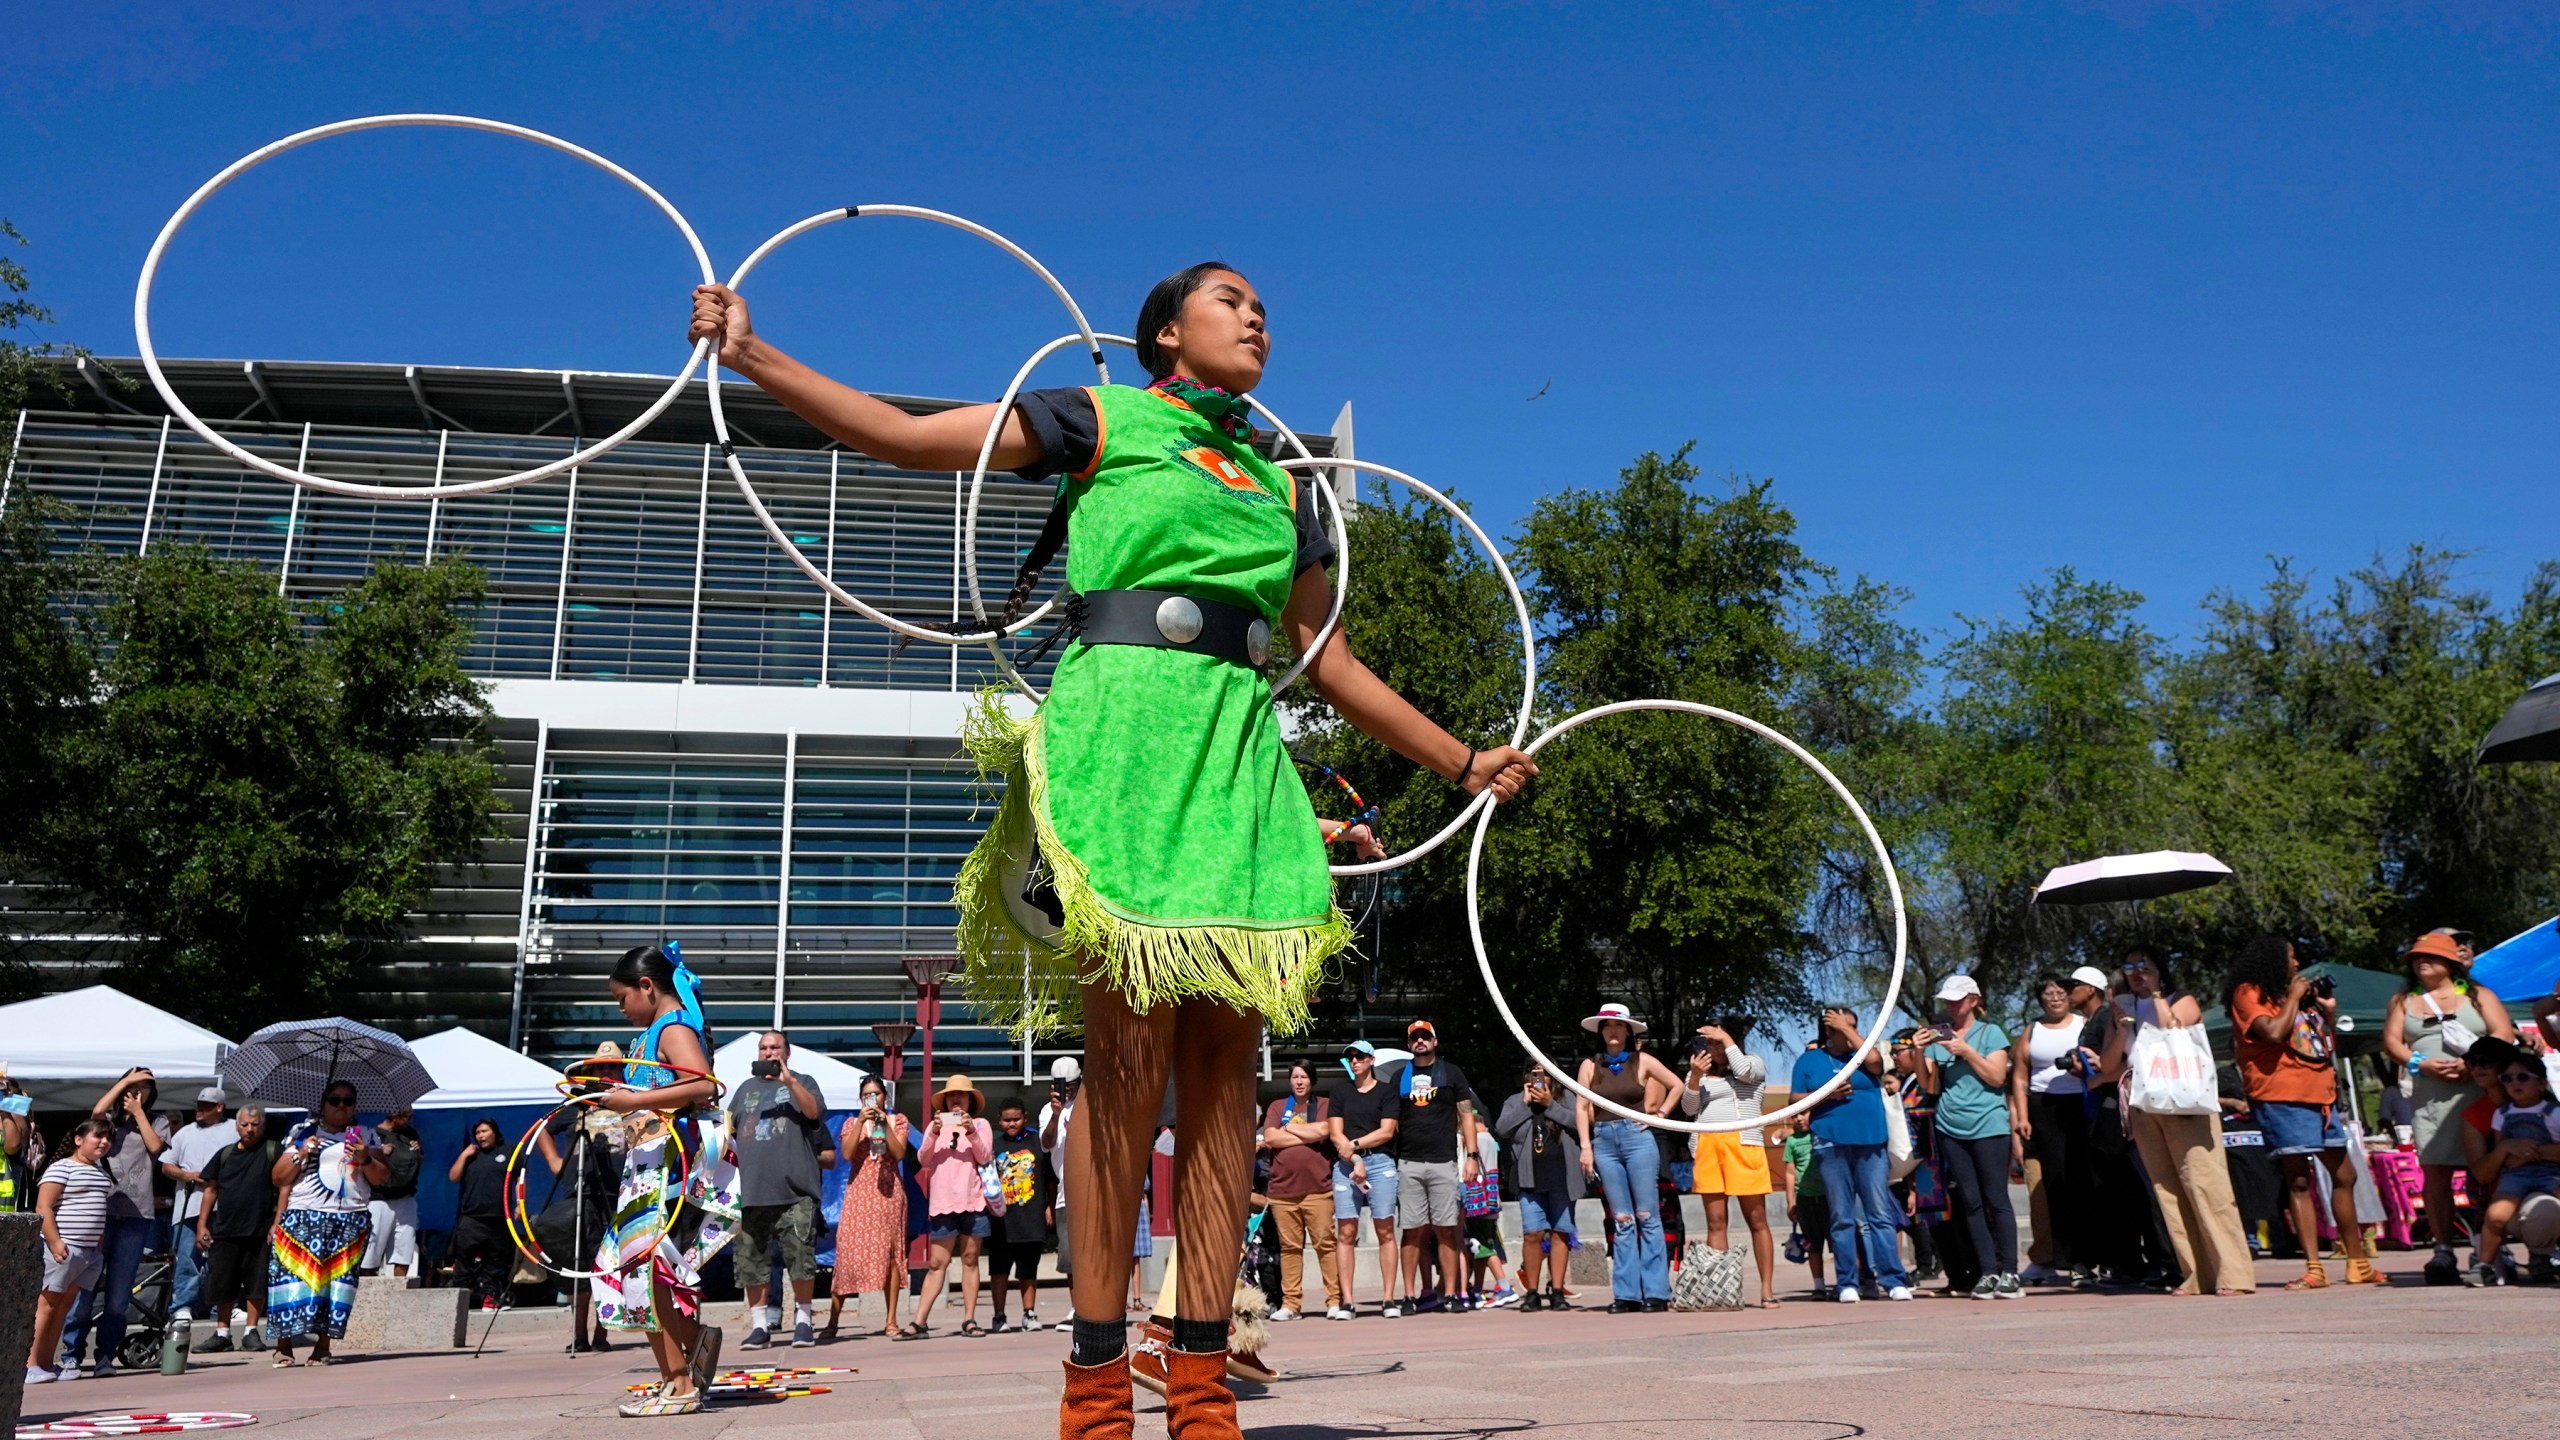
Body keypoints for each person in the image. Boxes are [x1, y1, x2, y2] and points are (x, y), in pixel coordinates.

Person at [689, 262, 1535, 1439]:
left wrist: (1461, 761)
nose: (1257, 314)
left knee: (1226, 1079)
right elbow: (905, 436)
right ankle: (1094, 1378)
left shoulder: (1281, 488)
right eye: (1228, 298)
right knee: (1127, 1067)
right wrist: (754, 353)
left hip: (1237, 760)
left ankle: (1196, 1367)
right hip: (1125, 747)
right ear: (1163, 335)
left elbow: (1326, 659)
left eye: (1264, 305)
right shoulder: (1102, 415)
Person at [593, 943, 736, 1417]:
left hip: (663, 1166)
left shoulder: (672, 1027)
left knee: (643, 1271)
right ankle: (688, 1353)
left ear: (647, 987)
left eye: (622, 998)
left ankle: (679, 1382)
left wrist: (629, 1102)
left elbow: (703, 1083)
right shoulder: (657, 1029)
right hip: (645, 1165)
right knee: (636, 1271)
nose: (621, 1009)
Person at [2224, 935, 2376, 1288]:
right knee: (2299, 1179)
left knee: (2346, 1176)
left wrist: (2329, 1011)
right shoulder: (2250, 993)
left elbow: (2320, 1043)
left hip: (2320, 1096)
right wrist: (2292, 997)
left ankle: (2358, 1262)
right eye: (2291, 958)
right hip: (2281, 1095)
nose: (2296, 965)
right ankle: (2314, 1267)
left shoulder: (2293, 999)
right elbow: (2274, 1033)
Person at [2100, 949, 2254, 1296]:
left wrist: (2155, 994)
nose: (2137, 973)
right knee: (2167, 1190)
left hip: (2183, 1099)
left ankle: (2233, 1274)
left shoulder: (2179, 999)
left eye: (2145, 967)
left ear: (2160, 971)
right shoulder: (2123, 1008)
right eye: (2130, 967)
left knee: (2205, 1183)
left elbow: (2172, 1025)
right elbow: (2110, 1066)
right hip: (2144, 1103)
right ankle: (2195, 1273)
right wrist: (2121, 1024)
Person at [2382, 929, 2520, 1285]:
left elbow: (2504, 1034)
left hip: (2481, 1095)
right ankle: (2442, 1250)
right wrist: (2419, 1064)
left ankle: (2491, 1247)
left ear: (2451, 963)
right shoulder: (2402, 1001)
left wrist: (2474, 1063)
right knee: (2436, 1173)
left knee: (2488, 1172)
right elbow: (2392, 1043)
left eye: (2430, 956)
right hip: (2430, 1100)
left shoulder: (2479, 996)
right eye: (2415, 958)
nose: (2420, 961)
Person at [1789, 1002, 1911, 1303]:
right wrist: (1828, 1094)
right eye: (1846, 1027)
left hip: (1871, 1142)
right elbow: (1795, 1099)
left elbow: (1875, 1063)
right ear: (1828, 1030)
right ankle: (1847, 1282)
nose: (1853, 1032)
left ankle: (1893, 1279)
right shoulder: (1810, 1061)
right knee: (1842, 1216)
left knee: (1879, 1213)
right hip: (1830, 1143)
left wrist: (1848, 1030)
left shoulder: (1863, 1054)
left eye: (1855, 1027)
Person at [56, 1067, 169, 1377]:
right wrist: (124, 1086)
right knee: (84, 1289)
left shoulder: (157, 1120)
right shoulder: (108, 1122)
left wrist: (138, 1112)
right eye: (135, 1085)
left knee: (119, 1294)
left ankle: (105, 1355)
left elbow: (156, 1148)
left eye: (146, 1087)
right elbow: (96, 1112)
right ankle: (71, 1354)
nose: (139, 1091)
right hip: (100, 1210)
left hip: (137, 1214)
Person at [267, 1081, 390, 1366]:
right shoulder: (302, 1131)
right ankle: (284, 1346)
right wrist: (302, 1152)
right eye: (335, 1100)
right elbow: (278, 1178)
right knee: (291, 1279)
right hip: (303, 1215)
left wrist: (365, 1158)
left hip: (348, 1218)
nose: (341, 1106)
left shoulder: (367, 1136)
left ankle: (323, 1347)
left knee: (336, 1284)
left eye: (348, 1100)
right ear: (323, 1104)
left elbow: (382, 1177)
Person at [1569, 1004, 1681, 1312]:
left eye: (1619, 1026)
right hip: (1604, 1140)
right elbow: (1581, 1108)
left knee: (1648, 1215)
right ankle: (1627, 1294)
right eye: (1607, 1026)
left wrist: (1659, 1115)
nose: (1613, 1031)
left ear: (1629, 1031)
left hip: (1637, 1138)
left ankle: (1656, 1292)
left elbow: (1677, 1085)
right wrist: (1585, 1147)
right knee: (1622, 1219)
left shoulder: (1642, 1060)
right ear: (1601, 1032)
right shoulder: (1590, 1066)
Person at [1915, 975, 2017, 1299]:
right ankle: (1987, 1272)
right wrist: (1919, 1052)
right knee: (1970, 1202)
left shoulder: (1991, 1033)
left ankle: (2010, 1271)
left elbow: (1997, 1077)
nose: (1951, 1006)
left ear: (1974, 1000)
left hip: (1989, 1125)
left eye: (1957, 1000)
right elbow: (1928, 1085)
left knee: (1996, 1199)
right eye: (1947, 1000)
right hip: (1950, 1127)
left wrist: (1966, 1051)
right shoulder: (1938, 1035)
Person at [727, 1030, 828, 1349]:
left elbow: (813, 1113)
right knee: (751, 1261)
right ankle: (759, 1326)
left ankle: (803, 1319)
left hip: (795, 1192)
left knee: (801, 1257)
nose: (769, 1052)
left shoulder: (803, 1081)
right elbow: (727, 1129)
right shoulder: (744, 1089)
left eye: (775, 1047)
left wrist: (789, 1082)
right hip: (751, 1192)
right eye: (764, 1048)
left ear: (787, 1052)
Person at [1678, 1021, 1776, 1308]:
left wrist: (1726, 1037)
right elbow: (1688, 1109)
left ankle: (1767, 1290)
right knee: (1716, 1222)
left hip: (1744, 1144)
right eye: (1710, 1043)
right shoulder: (1700, 1075)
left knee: (1757, 1220)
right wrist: (1695, 1077)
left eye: (1719, 1042)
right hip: (1709, 1146)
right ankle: (1720, 1291)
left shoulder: (1751, 1063)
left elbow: (1745, 1071)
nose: (1714, 1048)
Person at [1395, 1019, 1490, 1314]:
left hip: (1444, 1162)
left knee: (1447, 1229)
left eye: (1426, 1037)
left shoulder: (1451, 1073)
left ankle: (1451, 1294)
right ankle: (1410, 1295)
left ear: (1435, 1041)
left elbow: (1467, 1116)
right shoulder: (1401, 1076)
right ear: (1409, 1044)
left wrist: (1472, 1157)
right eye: (1415, 1038)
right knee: (1412, 1231)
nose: (1420, 1042)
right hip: (1409, 1162)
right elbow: (1392, 1122)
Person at [532, 1075, 624, 1355]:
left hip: (613, 1191)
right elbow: (542, 1128)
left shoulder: (624, 1101)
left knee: (606, 1263)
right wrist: (554, 1161)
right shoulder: (575, 1105)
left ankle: (601, 1333)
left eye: (610, 1068)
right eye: (598, 1068)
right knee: (579, 1261)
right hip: (578, 1191)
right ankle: (579, 1334)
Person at [2010, 976, 2091, 1288]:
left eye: (2061, 992)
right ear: (2040, 998)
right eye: (2048, 993)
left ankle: (2082, 1261)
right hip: (2042, 1110)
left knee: (2078, 1184)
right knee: (2045, 1188)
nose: (2055, 998)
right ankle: (2046, 1259)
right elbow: (2019, 1077)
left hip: (2079, 1106)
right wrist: (2022, 1116)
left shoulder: (2083, 1024)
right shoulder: (2032, 1029)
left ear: (2070, 997)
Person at [27, 1117, 116, 1386]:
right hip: (64, 1247)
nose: (104, 1142)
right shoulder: (61, 1168)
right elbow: (43, 1208)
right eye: (98, 1136)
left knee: (63, 1307)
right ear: (79, 1140)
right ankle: (29, 1364)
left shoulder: (101, 1173)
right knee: (47, 1304)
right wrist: (55, 1243)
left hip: (88, 1252)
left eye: (108, 1138)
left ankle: (45, 1362)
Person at [904, 1074, 993, 1339]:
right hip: (943, 1204)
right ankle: (919, 1322)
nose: (956, 1099)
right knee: (936, 1263)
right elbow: (922, 1158)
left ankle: (969, 1319)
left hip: (973, 1201)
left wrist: (971, 1131)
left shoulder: (981, 1124)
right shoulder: (936, 1126)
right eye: (951, 1095)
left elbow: (985, 1156)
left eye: (961, 1095)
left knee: (970, 1260)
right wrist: (932, 1132)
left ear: (970, 1100)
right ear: (944, 1101)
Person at [827, 1073, 912, 1339]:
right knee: (847, 1255)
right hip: (859, 1194)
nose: (872, 1099)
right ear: (861, 1098)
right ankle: (833, 1321)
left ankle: (891, 1320)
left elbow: (898, 1154)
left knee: (891, 1256)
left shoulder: (897, 1120)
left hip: (888, 1193)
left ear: (886, 1097)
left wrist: (882, 1124)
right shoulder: (852, 1122)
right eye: (867, 1095)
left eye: (877, 1094)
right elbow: (848, 1154)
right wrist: (861, 1123)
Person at [2464, 1051, 2560, 1285]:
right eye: (2507, 1079)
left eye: (2523, 1077)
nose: (2515, 1083)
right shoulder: (2502, 1114)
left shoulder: (2555, 1111)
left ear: (2541, 1083)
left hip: (2552, 1172)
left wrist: (2531, 1154)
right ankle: (2485, 1265)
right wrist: (2509, 1154)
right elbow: (2501, 1150)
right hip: (2515, 1176)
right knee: (2496, 1215)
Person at [1493, 1061, 1581, 1312]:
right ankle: (1531, 1292)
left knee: (1561, 1232)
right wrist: (1525, 1104)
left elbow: (1579, 1123)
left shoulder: (1568, 1097)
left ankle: (1556, 1290)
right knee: (1532, 1232)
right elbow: (1502, 1128)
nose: (1540, 1077)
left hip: (1563, 1175)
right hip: (1529, 1177)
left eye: (1545, 1072)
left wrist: (1549, 1105)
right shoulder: (1515, 1100)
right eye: (1534, 1072)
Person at [1325, 1040, 1401, 1318]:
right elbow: (1335, 1133)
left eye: (1360, 1057)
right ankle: (1347, 1301)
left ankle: (1389, 1299)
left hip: (1379, 1162)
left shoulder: (1386, 1092)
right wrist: (1355, 1158)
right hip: (1347, 1164)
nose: (1354, 1061)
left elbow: (1387, 1131)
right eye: (1350, 1058)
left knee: (1385, 1229)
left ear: (1372, 1060)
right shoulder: (1340, 1092)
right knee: (1345, 1231)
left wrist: (1355, 1145)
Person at [1258, 1061, 1338, 1321]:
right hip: (1283, 1190)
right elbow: (1270, 1138)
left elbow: (1325, 1130)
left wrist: (1289, 1128)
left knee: (1325, 1245)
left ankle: (1334, 1301)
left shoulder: (1323, 1104)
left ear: (1311, 1080)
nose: (1299, 1081)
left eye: (1304, 1077)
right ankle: (1291, 1304)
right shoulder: (1277, 1106)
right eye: (1295, 1077)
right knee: (1290, 1248)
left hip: (1318, 1188)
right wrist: (1308, 1134)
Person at [193, 1104, 276, 1354]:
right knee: (222, 1283)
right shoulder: (225, 1154)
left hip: (260, 1230)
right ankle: (222, 1334)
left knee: (256, 1283)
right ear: (237, 1126)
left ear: (262, 1125)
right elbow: (211, 1189)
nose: (249, 1129)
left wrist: (276, 1223)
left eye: (255, 1124)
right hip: (226, 1229)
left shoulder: (273, 1150)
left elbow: (285, 1186)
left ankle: (251, 1332)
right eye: (245, 1124)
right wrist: (201, 1223)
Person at [158, 1086, 237, 1330]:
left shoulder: (235, 1129)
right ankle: (182, 1306)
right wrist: (188, 1174)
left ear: (219, 1107)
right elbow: (165, 1165)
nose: (199, 1110)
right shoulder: (184, 1133)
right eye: (198, 1105)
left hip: (226, 1205)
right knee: (188, 1259)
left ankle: (224, 1307)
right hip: (190, 1204)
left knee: (224, 1260)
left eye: (205, 1106)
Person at [989, 1098, 1053, 1332]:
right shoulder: (994, 1145)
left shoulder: (1037, 1143)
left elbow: (1049, 1178)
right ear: (999, 1121)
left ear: (1025, 1118)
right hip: (1001, 1219)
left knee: (1028, 1269)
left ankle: (1029, 1313)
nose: (1011, 1124)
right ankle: (999, 1316)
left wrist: (1049, 1206)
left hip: (1030, 1215)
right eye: (1006, 1120)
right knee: (999, 1269)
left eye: (1016, 1119)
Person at [446, 1117, 511, 1309]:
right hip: (472, 1217)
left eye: (484, 1131)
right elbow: (453, 1177)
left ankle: (490, 1299)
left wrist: (518, 1205)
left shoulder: (508, 1152)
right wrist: (464, 1155)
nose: (481, 1136)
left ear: (495, 1133)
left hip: (498, 1216)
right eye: (478, 1133)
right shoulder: (472, 1155)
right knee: (464, 1259)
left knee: (494, 1261)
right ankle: (457, 1303)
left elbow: (518, 1179)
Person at [1035, 1056, 1079, 1319]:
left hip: (1092, 1194)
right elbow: (1047, 1142)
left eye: (1071, 1084)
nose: (1067, 1089)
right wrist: (1056, 1113)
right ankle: (1077, 1310)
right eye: (1062, 1084)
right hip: (1066, 1195)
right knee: (1070, 1258)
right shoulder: (1046, 1111)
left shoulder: (1090, 1104)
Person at [362, 1102, 423, 1281]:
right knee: (373, 1249)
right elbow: (362, 1161)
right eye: (406, 1116)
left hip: (406, 1196)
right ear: (394, 1114)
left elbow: (421, 1160)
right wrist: (379, 1152)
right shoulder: (374, 1133)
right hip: (380, 1198)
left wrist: (419, 1154)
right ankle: (368, 1291)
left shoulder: (410, 1134)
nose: (409, 1120)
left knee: (404, 1246)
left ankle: (399, 1287)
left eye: (411, 1116)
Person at [1773, 1116, 1829, 1295]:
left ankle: (1846, 1282)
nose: (1799, 1118)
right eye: (1795, 1115)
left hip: (1828, 1197)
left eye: (1804, 1113)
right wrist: (1791, 1201)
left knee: (1838, 1240)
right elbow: (1790, 1172)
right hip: (1805, 1198)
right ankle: (1819, 1286)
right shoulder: (1792, 1141)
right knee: (1812, 1244)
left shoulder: (1821, 1135)